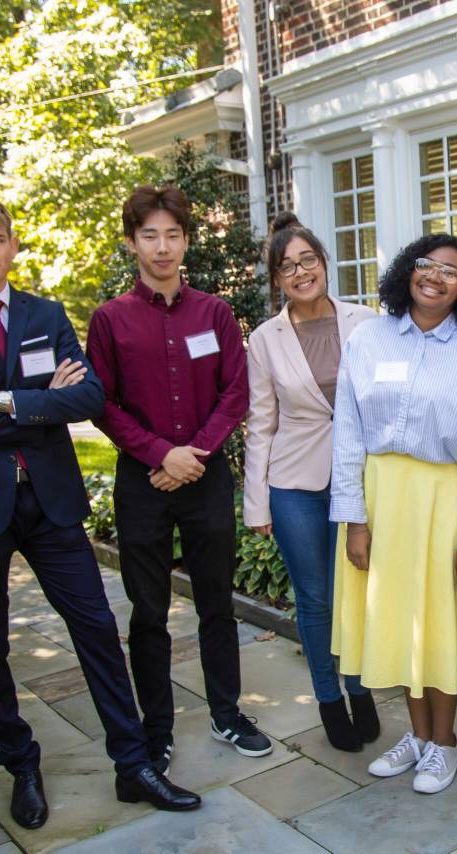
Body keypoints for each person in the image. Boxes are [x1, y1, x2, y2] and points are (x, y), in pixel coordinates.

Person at [0, 197, 200, 831]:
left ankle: (132, 763)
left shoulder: (45, 313)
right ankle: (20, 763)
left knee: (95, 628)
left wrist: (2, 398)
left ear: (13, 244)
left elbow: (89, 395)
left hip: (51, 500)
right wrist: (41, 401)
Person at [87, 185, 272, 773]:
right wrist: (161, 455)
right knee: (148, 612)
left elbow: (234, 392)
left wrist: (192, 453)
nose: (162, 247)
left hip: (207, 479)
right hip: (143, 483)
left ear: (186, 241)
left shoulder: (214, 314)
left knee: (217, 603)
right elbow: (102, 403)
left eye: (172, 235)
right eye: (149, 236)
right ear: (131, 242)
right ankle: (157, 729)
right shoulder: (110, 319)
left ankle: (226, 713)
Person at [329, 232, 457, 795]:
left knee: (440, 620)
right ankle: (419, 737)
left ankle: (446, 743)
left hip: (444, 500)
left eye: (451, 272)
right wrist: (355, 520)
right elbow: (347, 433)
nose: (435, 276)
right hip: (382, 496)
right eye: (426, 264)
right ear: (408, 270)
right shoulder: (369, 339)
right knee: (400, 618)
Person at [243, 212, 380, 752]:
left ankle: (361, 689)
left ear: (324, 262)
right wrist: (257, 505)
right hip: (295, 482)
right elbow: (261, 423)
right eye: (287, 267)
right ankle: (329, 700)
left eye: (308, 260)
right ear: (276, 279)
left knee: (355, 595)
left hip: (358, 478)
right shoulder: (266, 339)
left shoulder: (365, 321)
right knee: (317, 598)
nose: (300, 272)